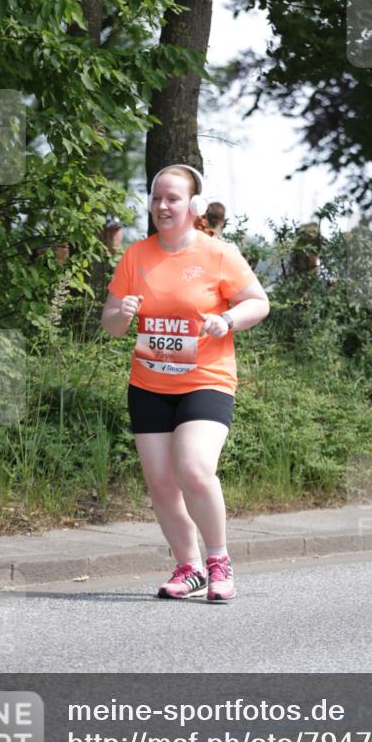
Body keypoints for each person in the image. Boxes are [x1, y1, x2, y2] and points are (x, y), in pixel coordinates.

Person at [101, 164, 269, 603]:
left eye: (172, 198)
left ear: (192, 206)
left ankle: (219, 561)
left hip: (206, 380)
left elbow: (258, 302)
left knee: (193, 468)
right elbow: (111, 325)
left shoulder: (218, 253)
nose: (162, 206)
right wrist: (123, 313)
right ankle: (188, 566)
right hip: (149, 383)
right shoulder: (136, 256)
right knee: (160, 484)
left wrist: (226, 319)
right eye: (156, 198)